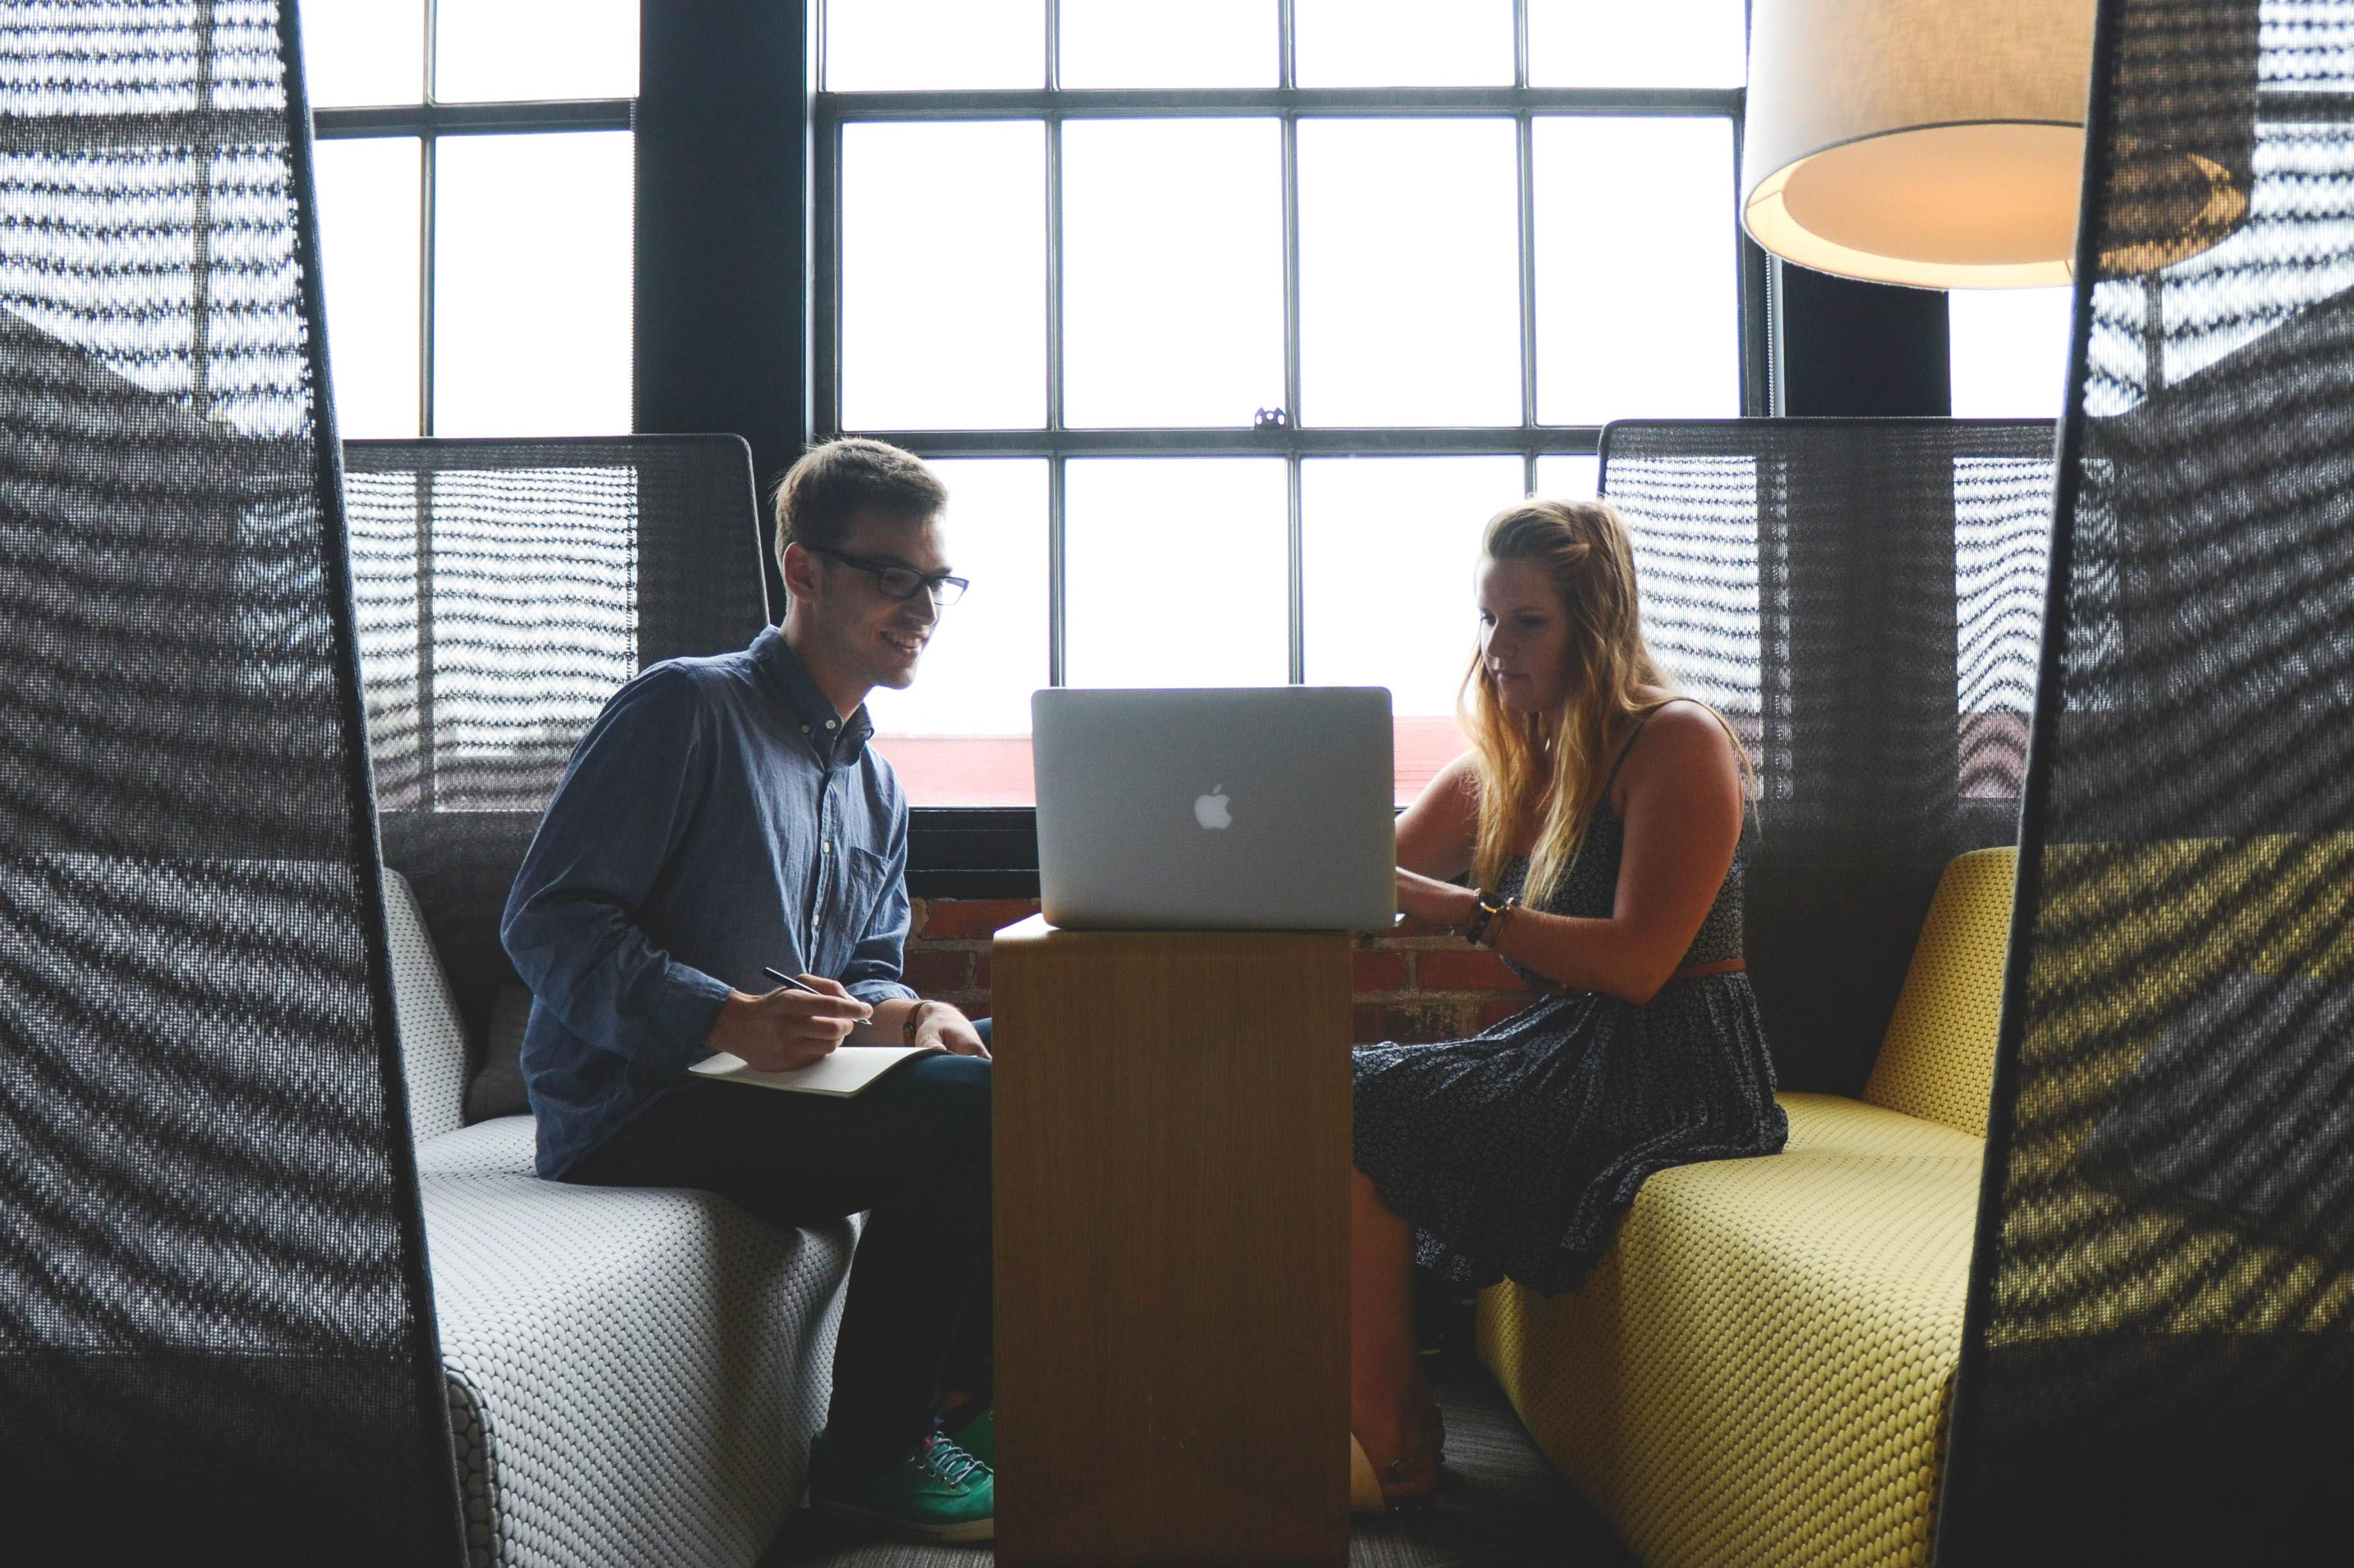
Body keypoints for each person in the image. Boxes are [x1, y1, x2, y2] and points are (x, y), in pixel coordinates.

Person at [501, 437, 999, 1542]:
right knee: (976, 1115)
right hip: (638, 1105)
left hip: (779, 1092)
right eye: (893, 577)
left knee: (1024, 1063)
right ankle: (876, 1455)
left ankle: (965, 1397)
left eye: (937, 582)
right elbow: (547, 919)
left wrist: (910, 1014)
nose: (922, 608)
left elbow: (865, 965)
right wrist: (723, 1017)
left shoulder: (875, 784)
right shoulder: (684, 709)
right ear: (805, 570)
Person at [1348, 498, 1789, 1511]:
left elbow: (1640, 965)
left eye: (1527, 622)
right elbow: (1360, 884)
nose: (1497, 648)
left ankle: (1388, 1430)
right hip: (1567, 1044)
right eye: (1488, 620)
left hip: (1677, 1062)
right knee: (1345, 1090)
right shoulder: (1506, 762)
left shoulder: (1675, 742)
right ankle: (1385, 1406)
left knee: (1367, 1103)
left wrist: (1471, 913)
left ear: (1596, 626)